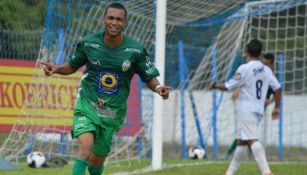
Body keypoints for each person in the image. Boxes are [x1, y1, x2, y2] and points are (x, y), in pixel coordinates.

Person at [40, 3, 171, 175]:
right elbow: (72, 66)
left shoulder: (135, 50)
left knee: (96, 162)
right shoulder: (89, 44)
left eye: (119, 19)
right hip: (88, 105)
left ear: (125, 23)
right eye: (111, 18)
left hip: (112, 113)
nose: (114, 22)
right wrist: (56, 68)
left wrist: (159, 87)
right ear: (104, 19)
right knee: (85, 149)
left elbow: (150, 78)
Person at [209, 39, 281, 175]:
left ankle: (267, 172)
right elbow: (278, 88)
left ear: (247, 52)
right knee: (241, 141)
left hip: (246, 109)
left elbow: (228, 86)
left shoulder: (244, 68)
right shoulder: (266, 70)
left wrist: (214, 85)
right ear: (260, 53)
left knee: (252, 139)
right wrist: (276, 107)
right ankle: (229, 173)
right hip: (259, 110)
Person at [221, 52, 276, 160]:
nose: (264, 66)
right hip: (249, 107)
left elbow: (277, 92)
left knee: (246, 134)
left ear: (272, 64)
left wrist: (270, 101)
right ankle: (237, 155)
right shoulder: (256, 72)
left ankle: (250, 156)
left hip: (259, 110)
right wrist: (237, 90)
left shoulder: (270, 77)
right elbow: (245, 81)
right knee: (246, 133)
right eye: (263, 63)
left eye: (267, 64)